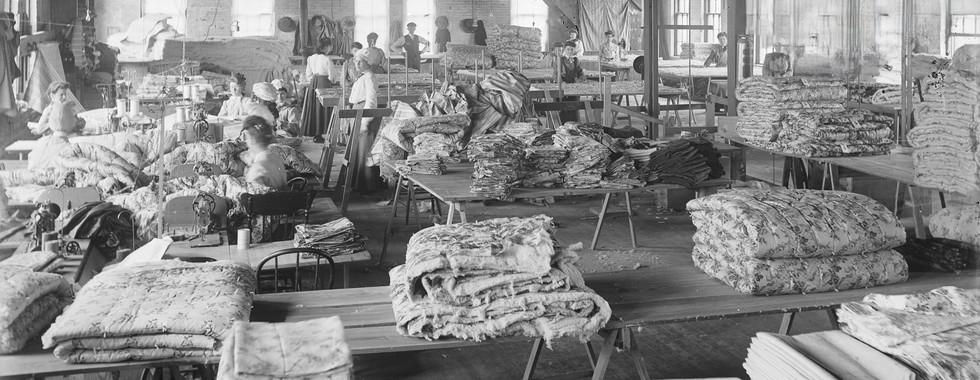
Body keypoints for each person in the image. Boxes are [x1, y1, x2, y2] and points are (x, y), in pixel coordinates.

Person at [344, 56, 384, 193]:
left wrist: (365, 121)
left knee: (365, 150)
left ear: (368, 62)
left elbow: (371, 100)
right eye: (355, 62)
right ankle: (357, 182)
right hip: (358, 112)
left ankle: (368, 184)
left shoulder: (370, 77)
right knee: (357, 149)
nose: (357, 64)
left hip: (364, 114)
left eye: (360, 61)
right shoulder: (362, 77)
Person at [300, 38, 337, 141]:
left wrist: (313, 81)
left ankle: (317, 134)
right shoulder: (327, 59)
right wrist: (332, 82)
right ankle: (323, 133)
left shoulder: (311, 58)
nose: (331, 48)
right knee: (323, 107)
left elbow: (308, 74)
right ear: (326, 47)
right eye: (330, 46)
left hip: (314, 82)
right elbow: (332, 77)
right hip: (324, 82)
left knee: (314, 108)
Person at [240, 115, 287, 189]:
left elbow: (254, 194)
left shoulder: (257, 169)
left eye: (246, 137)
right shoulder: (276, 158)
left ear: (252, 139)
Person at [559, 41, 584, 123]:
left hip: (573, 87)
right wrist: (561, 83)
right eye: (568, 49)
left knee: (574, 107)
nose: (570, 51)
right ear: (564, 50)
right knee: (564, 108)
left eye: (572, 49)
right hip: (563, 87)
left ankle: (573, 125)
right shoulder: (560, 60)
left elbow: (580, 72)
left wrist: (580, 80)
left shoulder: (576, 60)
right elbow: (556, 74)